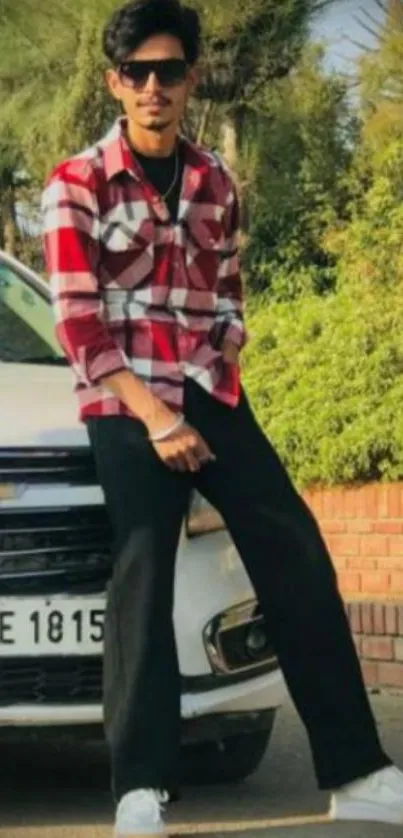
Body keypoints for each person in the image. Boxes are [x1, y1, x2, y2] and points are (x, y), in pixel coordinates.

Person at [41, 1, 403, 835]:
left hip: (207, 390)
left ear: (191, 78)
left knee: (296, 549)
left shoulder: (214, 181)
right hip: (126, 398)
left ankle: (357, 771)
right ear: (115, 83)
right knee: (142, 569)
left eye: (169, 70)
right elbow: (79, 324)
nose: (153, 87)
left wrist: (208, 385)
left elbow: (228, 301)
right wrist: (156, 419)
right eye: (137, 73)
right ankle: (141, 785)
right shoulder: (76, 184)